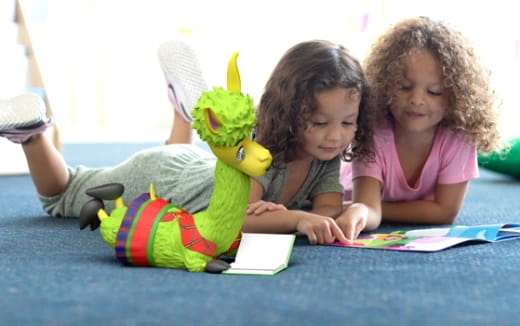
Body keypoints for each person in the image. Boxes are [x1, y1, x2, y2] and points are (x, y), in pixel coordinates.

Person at [0, 39, 369, 245]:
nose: (335, 136)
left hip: (192, 165)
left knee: (191, 158)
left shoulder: (325, 153)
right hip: (159, 179)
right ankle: (32, 133)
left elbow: (326, 210)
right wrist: (296, 218)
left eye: (348, 122)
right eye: (320, 122)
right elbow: (238, 220)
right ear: (289, 111)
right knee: (62, 194)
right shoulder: (262, 147)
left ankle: (184, 112)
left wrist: (302, 218)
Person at [336, 16, 502, 241]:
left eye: (433, 91)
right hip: (345, 195)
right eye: (404, 87)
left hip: (356, 205)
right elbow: (366, 207)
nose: (416, 100)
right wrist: (360, 207)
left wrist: (365, 207)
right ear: (385, 85)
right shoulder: (373, 132)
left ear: (455, 97)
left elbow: (445, 212)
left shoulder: (460, 138)